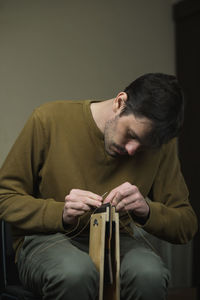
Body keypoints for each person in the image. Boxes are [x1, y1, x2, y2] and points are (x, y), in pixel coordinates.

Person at [0, 73, 197, 300]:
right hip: (48, 238)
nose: (132, 150)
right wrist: (60, 213)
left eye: (144, 147)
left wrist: (147, 211)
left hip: (118, 240)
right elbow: (5, 196)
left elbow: (186, 224)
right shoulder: (48, 119)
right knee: (74, 273)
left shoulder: (161, 146)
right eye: (130, 134)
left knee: (149, 274)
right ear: (119, 102)